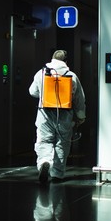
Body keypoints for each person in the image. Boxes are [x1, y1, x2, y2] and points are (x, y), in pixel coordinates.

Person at [29, 50, 86, 184]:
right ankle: (57, 174)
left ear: (52, 59)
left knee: (44, 141)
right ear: (66, 62)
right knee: (62, 144)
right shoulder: (71, 76)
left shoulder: (41, 73)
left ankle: (44, 162)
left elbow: (32, 92)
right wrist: (80, 116)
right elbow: (79, 99)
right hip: (65, 115)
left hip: (44, 114)